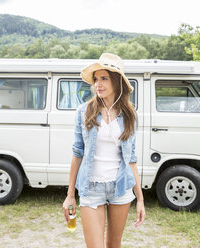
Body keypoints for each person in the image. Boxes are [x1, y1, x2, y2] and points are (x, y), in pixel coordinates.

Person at [62, 53, 145, 247]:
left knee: (114, 245)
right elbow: (77, 153)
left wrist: (140, 199)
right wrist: (70, 195)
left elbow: (131, 159)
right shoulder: (84, 111)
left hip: (121, 188)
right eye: (96, 79)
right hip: (91, 188)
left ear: (117, 82)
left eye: (104, 78)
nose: (98, 84)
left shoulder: (130, 115)